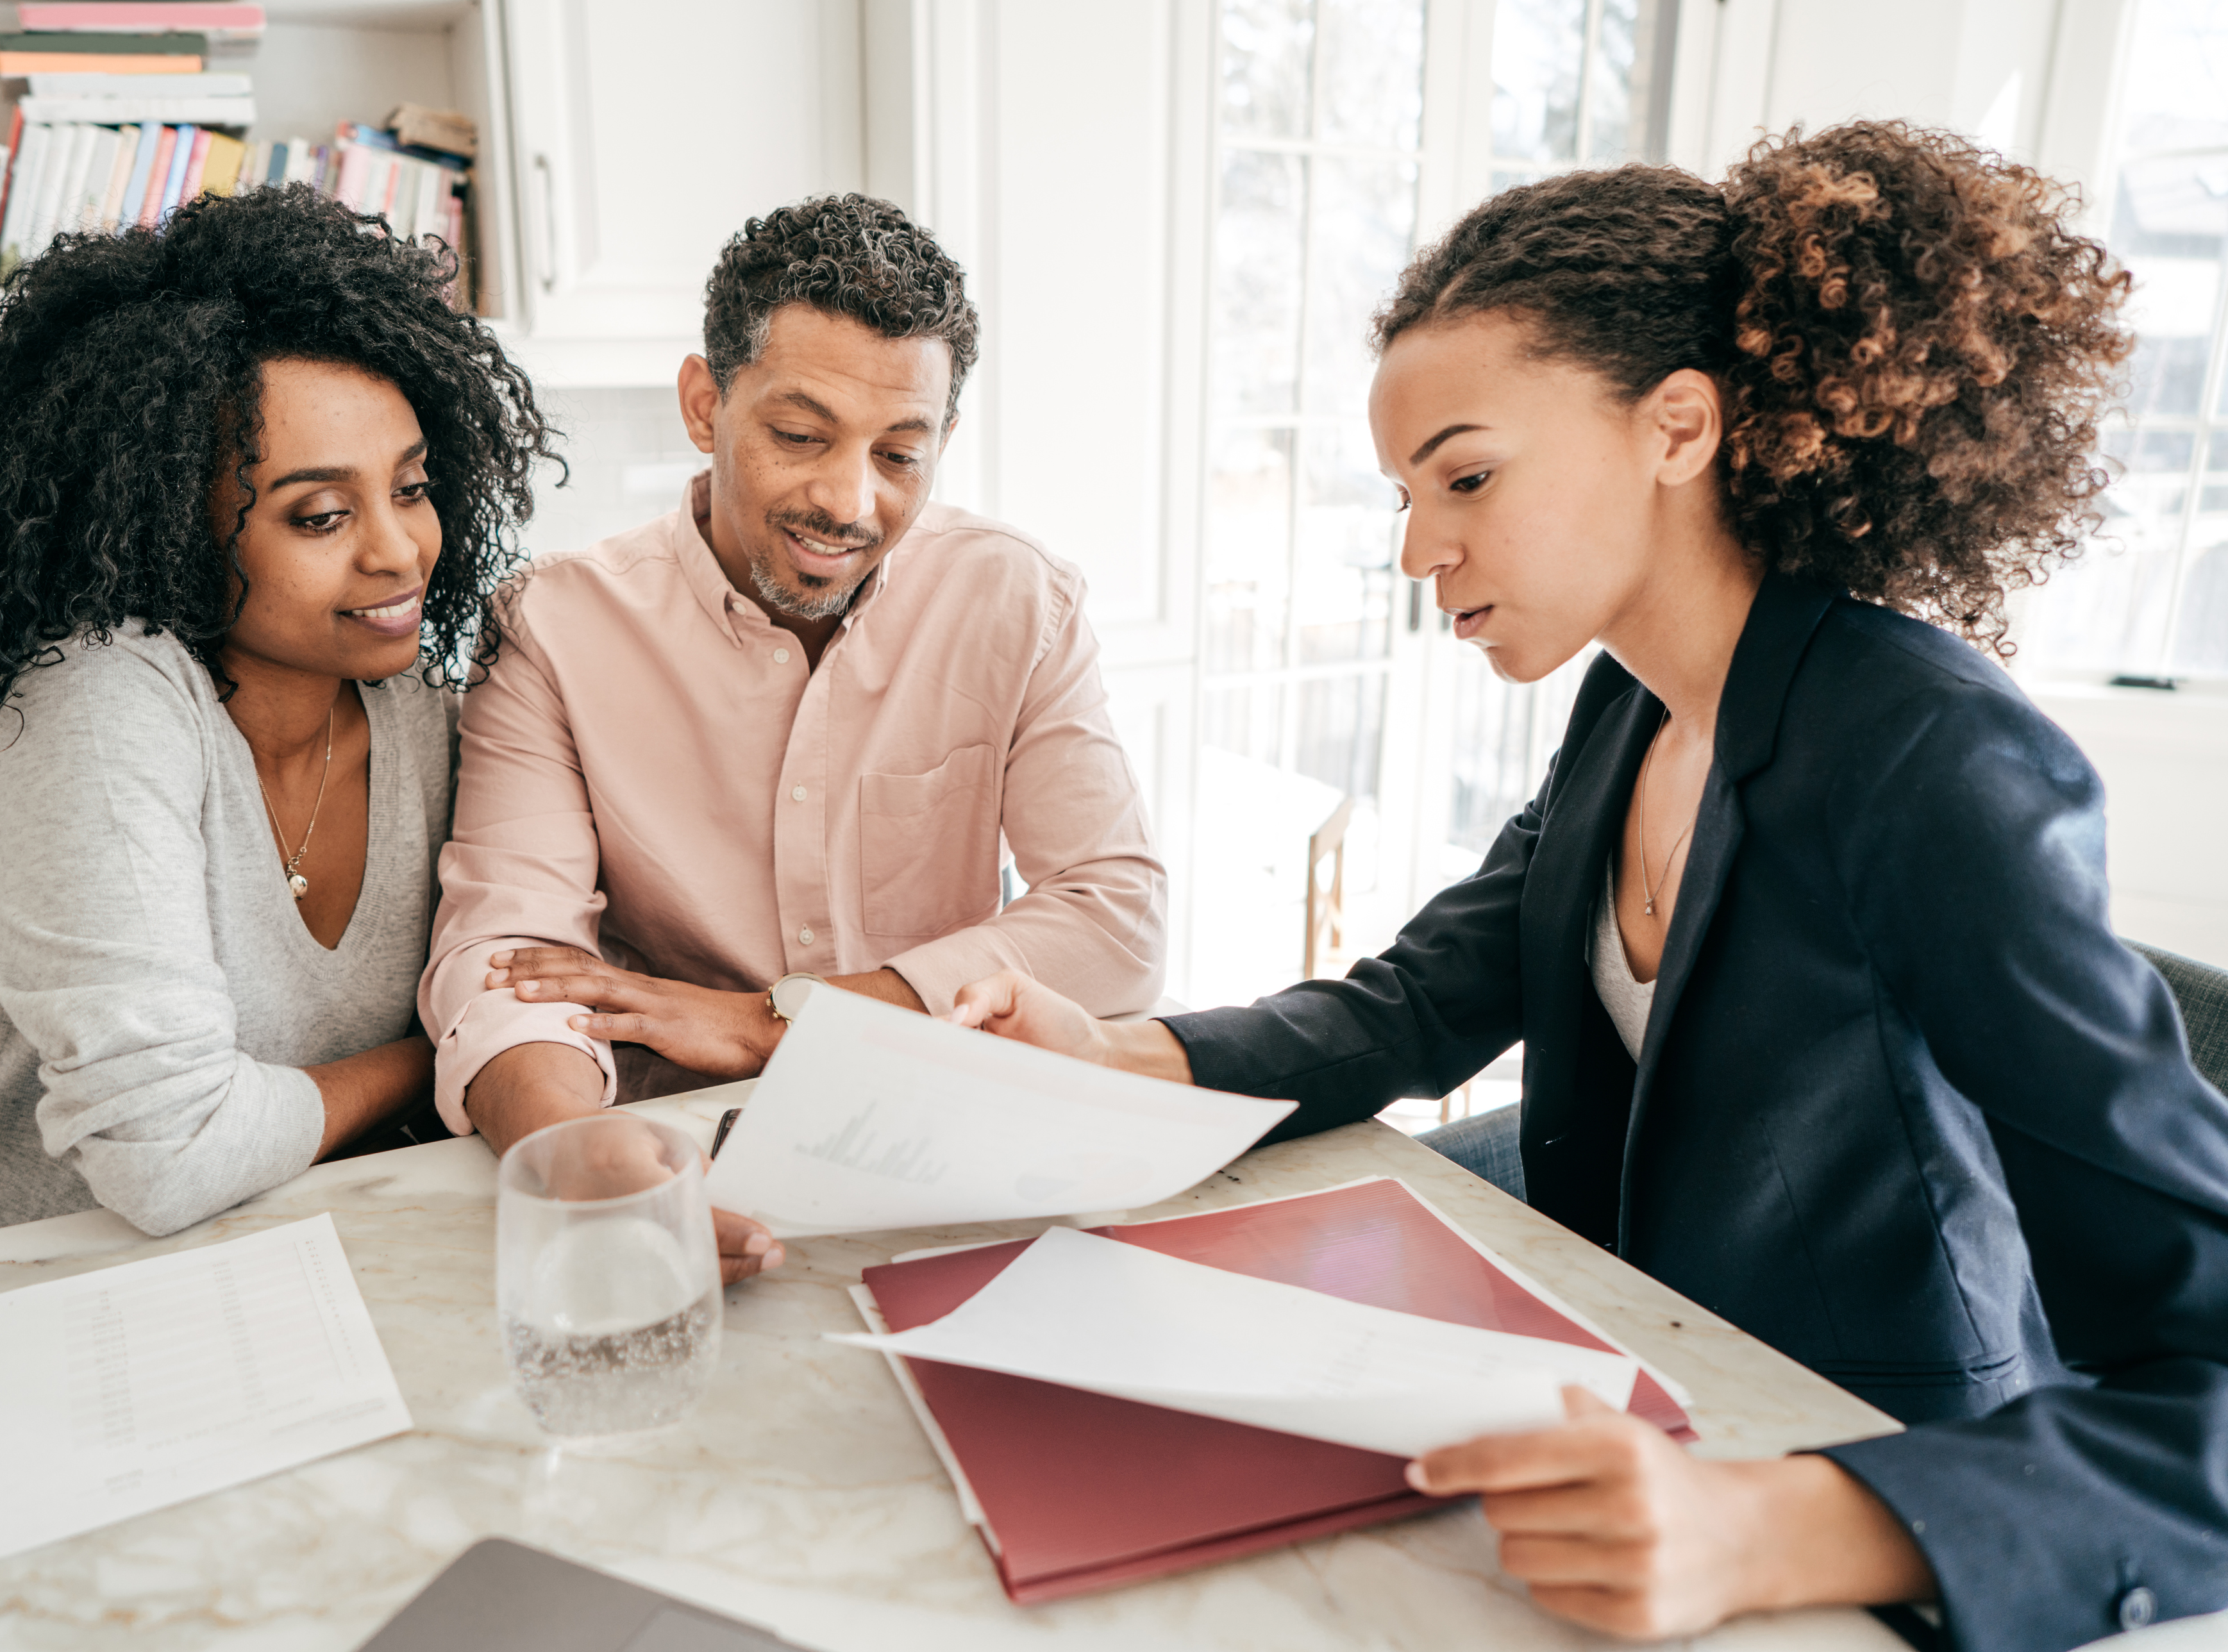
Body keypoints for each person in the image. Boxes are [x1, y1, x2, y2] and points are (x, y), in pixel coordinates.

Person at [948, 122, 2228, 1650]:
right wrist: (1112, 1051)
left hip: (1862, 1477)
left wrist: (1778, 1519)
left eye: (1466, 476)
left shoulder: (1932, 758)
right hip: (1640, 1398)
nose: (1420, 548)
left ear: (1678, 426)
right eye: (1407, 496)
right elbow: (1424, 998)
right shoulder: (1629, 703)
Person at [0, 187, 551, 1264]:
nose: (399, 552)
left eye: (413, 487)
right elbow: (174, 1152)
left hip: (240, 1254)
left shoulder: (416, 710)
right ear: (169, 527)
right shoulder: (98, 706)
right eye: (321, 515)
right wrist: (441, 1049)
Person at [419, 195, 1166, 1187]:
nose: (850, 503)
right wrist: (586, 1165)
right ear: (703, 405)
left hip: (950, 1129)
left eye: (900, 454)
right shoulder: (551, 626)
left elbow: (1117, 919)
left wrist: (782, 1020)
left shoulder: (1017, 599)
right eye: (803, 436)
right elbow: (509, 963)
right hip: (677, 1143)